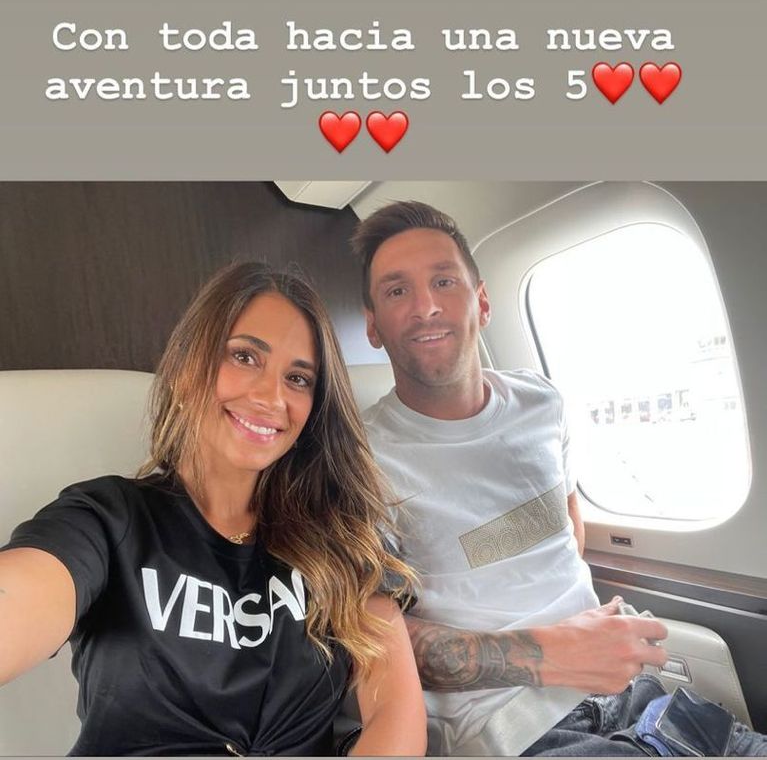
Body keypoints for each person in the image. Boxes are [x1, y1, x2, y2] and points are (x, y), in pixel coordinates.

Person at [351, 201, 767, 757]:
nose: (425, 306)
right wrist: (554, 654)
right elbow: (380, 643)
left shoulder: (541, 401)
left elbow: (568, 531)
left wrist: (593, 647)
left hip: (636, 694)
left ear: (482, 301)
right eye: (397, 290)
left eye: (444, 281)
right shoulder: (360, 460)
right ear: (373, 326)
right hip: (517, 731)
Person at [0, 262, 427, 757]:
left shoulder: (340, 537)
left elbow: (395, 711)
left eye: (297, 378)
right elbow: (22, 596)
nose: (271, 397)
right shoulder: (107, 520)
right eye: (244, 357)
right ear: (187, 369)